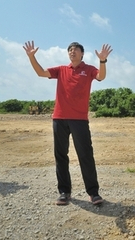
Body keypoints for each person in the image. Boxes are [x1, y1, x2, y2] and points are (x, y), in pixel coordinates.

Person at [23, 40, 113, 206]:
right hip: (59, 118)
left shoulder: (89, 69)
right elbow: (41, 72)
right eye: (70, 50)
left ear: (82, 54)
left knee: (85, 155)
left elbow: (101, 76)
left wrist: (102, 61)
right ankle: (64, 192)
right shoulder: (61, 70)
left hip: (79, 120)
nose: (72, 52)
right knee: (61, 155)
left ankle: (93, 193)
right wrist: (31, 57)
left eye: (76, 49)